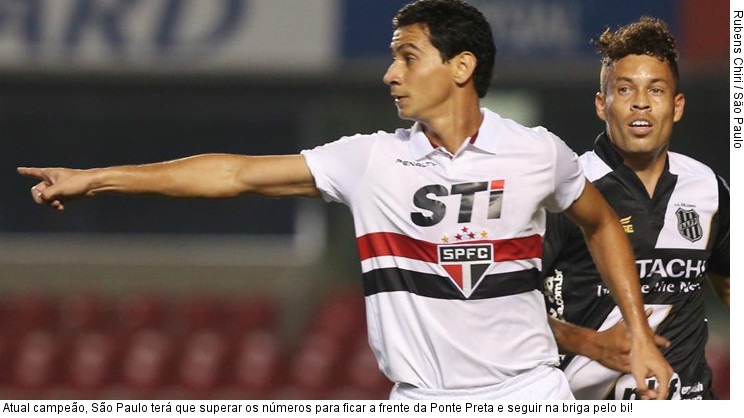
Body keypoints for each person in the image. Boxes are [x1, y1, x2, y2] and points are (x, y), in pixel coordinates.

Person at [17, 0, 671, 400]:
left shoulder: (537, 152)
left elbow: (601, 223)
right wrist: (95, 177)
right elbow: (233, 175)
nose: (390, 73)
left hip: (532, 393)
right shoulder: (369, 159)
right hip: (418, 398)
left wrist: (638, 336)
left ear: (461, 68)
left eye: (408, 57)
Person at [542, 16, 730, 400]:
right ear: (601, 104)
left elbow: (729, 282)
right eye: (625, 89)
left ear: (677, 106)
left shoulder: (709, 187)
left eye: (656, 90)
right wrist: (589, 342)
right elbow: (503, 310)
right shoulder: (567, 191)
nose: (641, 102)